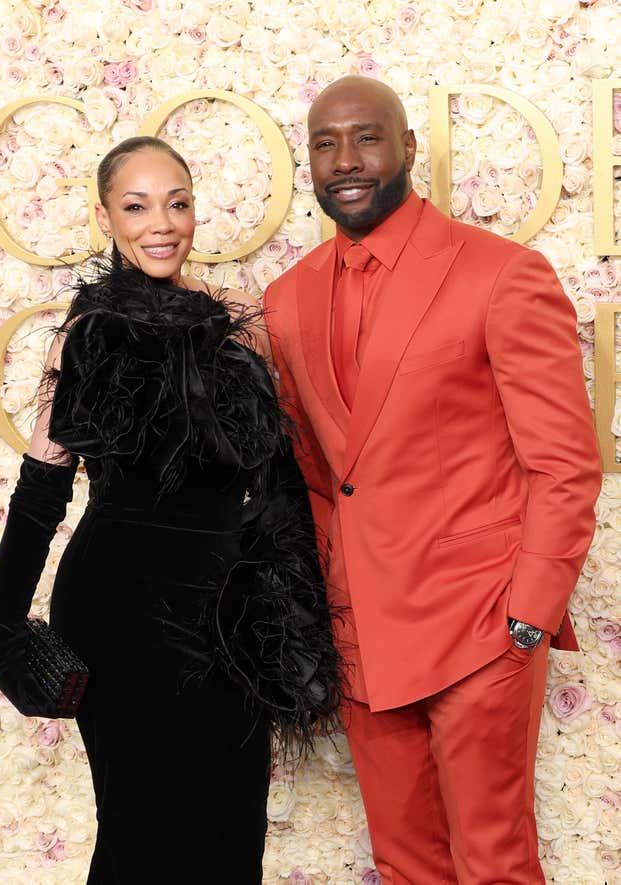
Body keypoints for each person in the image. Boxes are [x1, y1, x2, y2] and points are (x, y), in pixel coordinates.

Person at [263, 76, 602, 884]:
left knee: (492, 861)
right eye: (324, 143)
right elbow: (313, 473)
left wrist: (528, 612)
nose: (345, 160)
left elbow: (562, 461)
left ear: (409, 147)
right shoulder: (285, 299)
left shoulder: (500, 273)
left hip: (479, 623)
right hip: (359, 631)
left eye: (366, 137)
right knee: (404, 863)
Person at [0, 135, 340, 884]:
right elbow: (42, 486)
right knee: (141, 831)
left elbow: (278, 480)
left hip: (226, 608)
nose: (161, 222)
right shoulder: (85, 335)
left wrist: (296, 610)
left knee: (234, 827)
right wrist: (3, 628)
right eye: (137, 205)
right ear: (105, 215)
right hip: (119, 613)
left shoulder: (240, 325)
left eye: (177, 202)